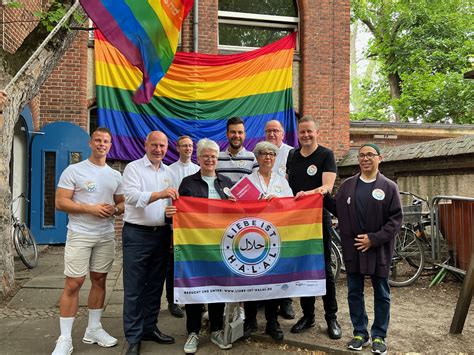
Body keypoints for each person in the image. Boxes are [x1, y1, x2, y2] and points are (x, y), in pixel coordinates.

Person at [52, 127, 124, 355]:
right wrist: (89, 208)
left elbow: (122, 204)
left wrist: (115, 209)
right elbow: (61, 202)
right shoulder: (74, 170)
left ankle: (93, 328)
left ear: (110, 146)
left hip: (105, 235)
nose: (102, 144)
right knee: (74, 283)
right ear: (90, 143)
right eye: (98, 140)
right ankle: (64, 338)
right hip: (80, 233)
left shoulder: (115, 175)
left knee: (100, 280)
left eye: (106, 141)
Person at [325, 143, 402, 355]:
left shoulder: (389, 187)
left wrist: (374, 239)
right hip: (354, 249)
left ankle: (379, 336)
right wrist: (321, 195)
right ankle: (360, 333)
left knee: (382, 293)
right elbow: (337, 209)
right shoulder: (348, 185)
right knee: (354, 292)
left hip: (378, 249)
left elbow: (395, 221)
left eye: (370, 155)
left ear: (380, 158)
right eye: (361, 155)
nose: (365, 158)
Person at [166, 138, 234, 354]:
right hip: (194, 245)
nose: (210, 160)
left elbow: (237, 214)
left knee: (217, 287)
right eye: (205, 156)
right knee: (195, 286)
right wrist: (171, 216)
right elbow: (181, 213)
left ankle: (215, 329)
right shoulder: (188, 183)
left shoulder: (226, 183)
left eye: (213, 156)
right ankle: (193, 332)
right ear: (198, 158)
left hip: (220, 244)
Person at [121, 131, 179, 355]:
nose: (158, 149)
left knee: (155, 286)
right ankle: (134, 338)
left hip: (161, 234)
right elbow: (132, 197)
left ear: (167, 147)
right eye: (154, 145)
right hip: (137, 235)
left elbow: (171, 201)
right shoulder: (133, 168)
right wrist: (160, 194)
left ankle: (149, 327)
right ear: (146, 145)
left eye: (162, 146)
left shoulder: (169, 172)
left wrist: (172, 212)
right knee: (134, 288)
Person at [286, 116, 342, 339]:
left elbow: (327, 187)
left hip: (319, 217)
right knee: (302, 267)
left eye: (310, 131)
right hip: (296, 221)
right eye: (302, 132)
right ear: (298, 135)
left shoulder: (326, 155)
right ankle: (308, 316)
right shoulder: (293, 156)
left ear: (317, 133)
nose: (306, 136)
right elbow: (286, 187)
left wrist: (306, 194)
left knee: (324, 268)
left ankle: (331, 317)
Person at [243, 141, 293, 341]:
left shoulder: (282, 181)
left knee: (274, 280)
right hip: (252, 238)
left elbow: (291, 206)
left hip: (275, 237)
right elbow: (240, 209)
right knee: (250, 280)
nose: (268, 158)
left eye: (272, 154)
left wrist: (277, 201)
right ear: (257, 157)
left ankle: (272, 322)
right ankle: (250, 321)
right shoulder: (248, 181)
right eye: (263, 154)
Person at [264, 119, 295, 320]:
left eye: (276, 131)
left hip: (285, 216)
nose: (272, 134)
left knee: (284, 260)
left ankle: (286, 301)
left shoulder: (292, 153)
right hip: (264, 217)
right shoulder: (257, 153)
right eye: (269, 131)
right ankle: (263, 299)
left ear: (283, 133)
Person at [167, 135, 200, 318]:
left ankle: (193, 298)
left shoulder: (197, 169)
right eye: (184, 146)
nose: (187, 148)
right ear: (177, 148)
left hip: (193, 226)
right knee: (173, 265)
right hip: (176, 224)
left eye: (190, 146)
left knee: (192, 264)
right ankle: (173, 300)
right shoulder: (170, 170)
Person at [216, 116, 257, 184]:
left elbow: (257, 184)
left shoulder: (253, 158)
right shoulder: (217, 157)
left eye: (240, 132)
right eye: (233, 132)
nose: (236, 136)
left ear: (244, 135)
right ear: (227, 134)